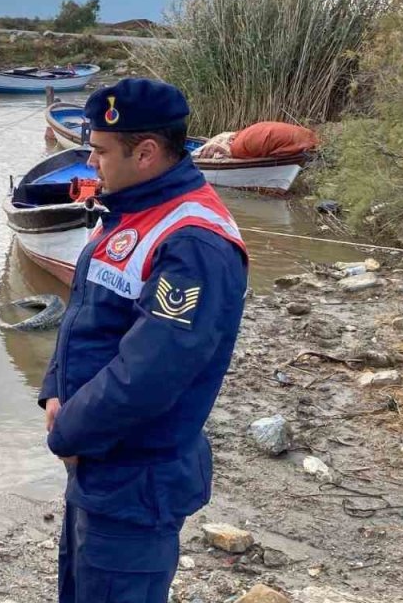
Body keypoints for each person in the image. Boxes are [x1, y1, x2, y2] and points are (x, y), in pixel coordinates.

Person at [39, 79, 249, 603]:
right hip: (99, 460)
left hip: (138, 475)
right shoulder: (130, 210)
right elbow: (87, 316)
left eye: (102, 151)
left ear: (147, 152)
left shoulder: (193, 241)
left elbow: (150, 373)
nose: (91, 164)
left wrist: (68, 432)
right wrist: (53, 391)